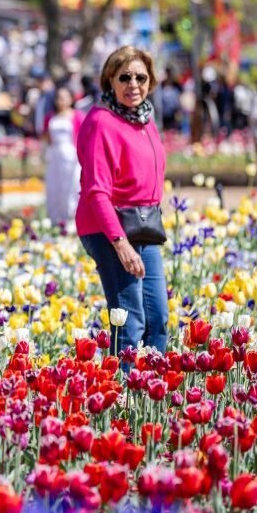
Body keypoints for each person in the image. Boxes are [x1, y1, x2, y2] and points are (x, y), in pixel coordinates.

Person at [76, 46, 167, 360]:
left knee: (158, 319)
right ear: (110, 80)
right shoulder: (101, 122)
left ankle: (153, 384)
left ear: (150, 81)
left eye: (141, 77)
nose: (133, 84)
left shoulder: (144, 119)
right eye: (125, 77)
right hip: (110, 229)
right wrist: (120, 243)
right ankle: (123, 387)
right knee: (130, 320)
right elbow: (97, 191)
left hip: (145, 226)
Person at [43, 87, 84, 225]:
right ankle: (56, 218)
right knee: (54, 185)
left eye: (63, 97)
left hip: (71, 155)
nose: (60, 101)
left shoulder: (77, 116)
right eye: (58, 98)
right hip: (55, 154)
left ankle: (72, 216)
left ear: (71, 99)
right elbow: (46, 137)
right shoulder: (50, 116)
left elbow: (83, 136)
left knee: (72, 185)